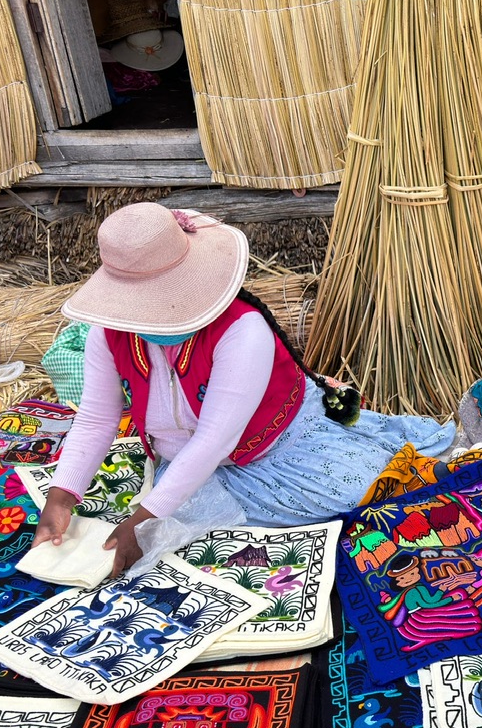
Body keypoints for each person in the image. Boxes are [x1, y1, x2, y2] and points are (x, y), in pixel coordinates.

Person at [33, 202, 454, 574]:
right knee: (177, 535)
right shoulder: (107, 335)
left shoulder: (242, 330)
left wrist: (142, 519)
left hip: (276, 442)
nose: (147, 319)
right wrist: (61, 497)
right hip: (190, 458)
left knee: (369, 497)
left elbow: (216, 438)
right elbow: (95, 419)